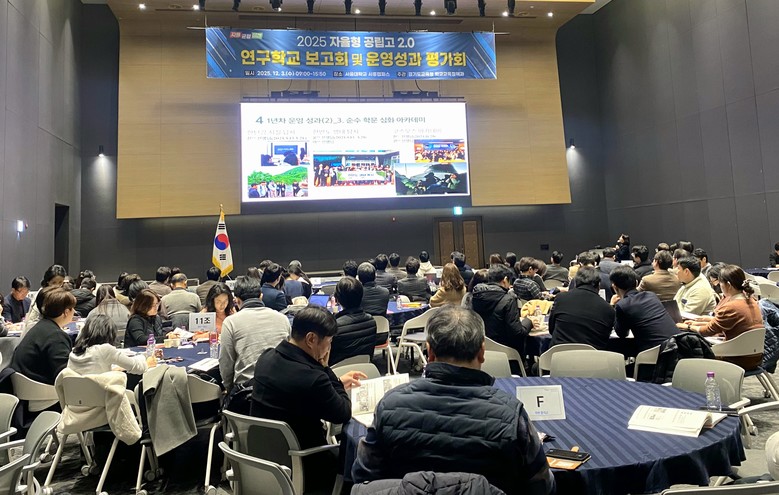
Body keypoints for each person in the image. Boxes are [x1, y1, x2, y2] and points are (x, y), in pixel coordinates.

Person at [352, 305, 555, 495]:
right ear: (482, 352)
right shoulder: (511, 413)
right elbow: (542, 486)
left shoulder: (389, 405)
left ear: (430, 352)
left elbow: (364, 477)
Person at [251, 305, 366, 493]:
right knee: (356, 461)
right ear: (311, 339)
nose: (329, 348)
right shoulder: (314, 378)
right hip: (305, 462)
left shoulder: (266, 358)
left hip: (261, 456)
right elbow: (344, 413)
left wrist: (333, 382)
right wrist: (327, 370)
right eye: (329, 341)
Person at [220, 276, 290, 394]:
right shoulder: (283, 318)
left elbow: (226, 363)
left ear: (237, 300)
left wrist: (229, 389)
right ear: (261, 296)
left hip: (247, 392)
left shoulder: (230, 322)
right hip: (281, 389)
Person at [680, 265, 763, 342]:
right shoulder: (751, 300)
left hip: (733, 350)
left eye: (720, 283)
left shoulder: (730, 306)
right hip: (751, 349)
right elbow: (723, 324)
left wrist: (688, 327)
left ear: (728, 285)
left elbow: (707, 331)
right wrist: (699, 323)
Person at [10, 288, 75, 385]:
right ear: (66, 312)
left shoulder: (39, 327)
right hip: (41, 388)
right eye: (72, 308)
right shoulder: (57, 336)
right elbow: (64, 376)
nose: (74, 311)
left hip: (23, 385)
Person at [610, 266, 678, 353]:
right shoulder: (651, 295)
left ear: (614, 287)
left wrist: (612, 305)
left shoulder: (622, 305)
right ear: (636, 283)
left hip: (657, 353)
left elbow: (622, 334)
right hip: (678, 344)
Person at [548, 266, 615, 350]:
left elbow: (551, 329)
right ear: (598, 285)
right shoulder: (608, 309)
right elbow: (606, 337)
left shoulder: (561, 298)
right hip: (593, 356)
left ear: (575, 283)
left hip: (559, 354)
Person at [471, 264, 531, 355]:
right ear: (505, 280)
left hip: (480, 350)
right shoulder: (508, 300)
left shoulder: (475, 296)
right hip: (507, 353)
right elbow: (517, 333)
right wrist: (529, 321)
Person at [68, 314, 153, 375]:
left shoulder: (74, 352)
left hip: (77, 395)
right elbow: (137, 367)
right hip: (102, 394)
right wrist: (147, 362)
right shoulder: (105, 350)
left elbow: (90, 374)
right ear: (109, 333)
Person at [330, 277, 377, 365]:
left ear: (337, 299)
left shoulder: (334, 327)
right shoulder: (371, 321)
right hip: (365, 368)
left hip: (338, 371)